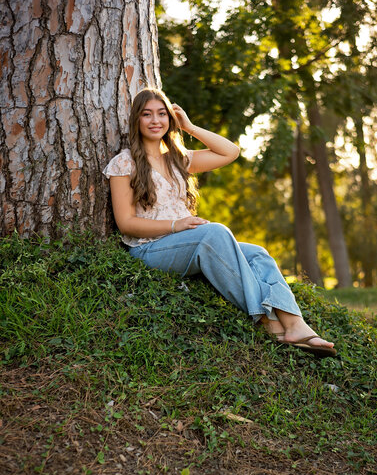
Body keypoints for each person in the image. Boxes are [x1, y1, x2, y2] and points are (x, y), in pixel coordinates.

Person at [103, 87, 336, 358]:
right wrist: (175, 225)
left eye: (162, 114)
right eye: (147, 114)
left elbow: (230, 152)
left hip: (185, 243)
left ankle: (294, 322)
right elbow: (126, 224)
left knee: (257, 254)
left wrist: (189, 127)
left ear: (170, 119)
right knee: (213, 233)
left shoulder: (178, 159)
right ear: (136, 120)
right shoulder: (124, 163)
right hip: (149, 249)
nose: (155, 120)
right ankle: (267, 320)